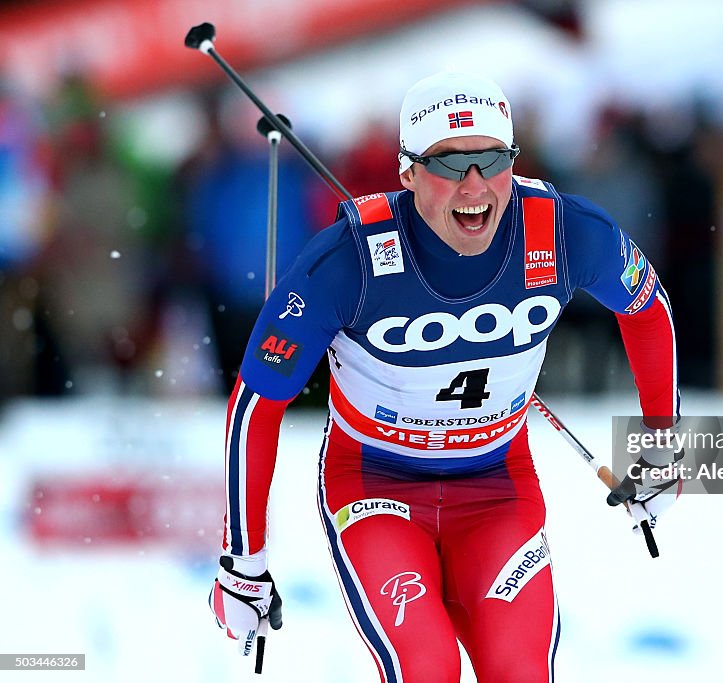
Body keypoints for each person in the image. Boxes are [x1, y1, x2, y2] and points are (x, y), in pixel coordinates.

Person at [207, 71, 680, 682]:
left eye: (491, 159)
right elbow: (256, 405)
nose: (475, 186)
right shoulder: (348, 258)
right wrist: (242, 560)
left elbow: (648, 309)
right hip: (375, 484)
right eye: (449, 165)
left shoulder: (561, 231)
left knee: (521, 670)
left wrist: (662, 447)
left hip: (495, 486)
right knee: (426, 667)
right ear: (406, 173)